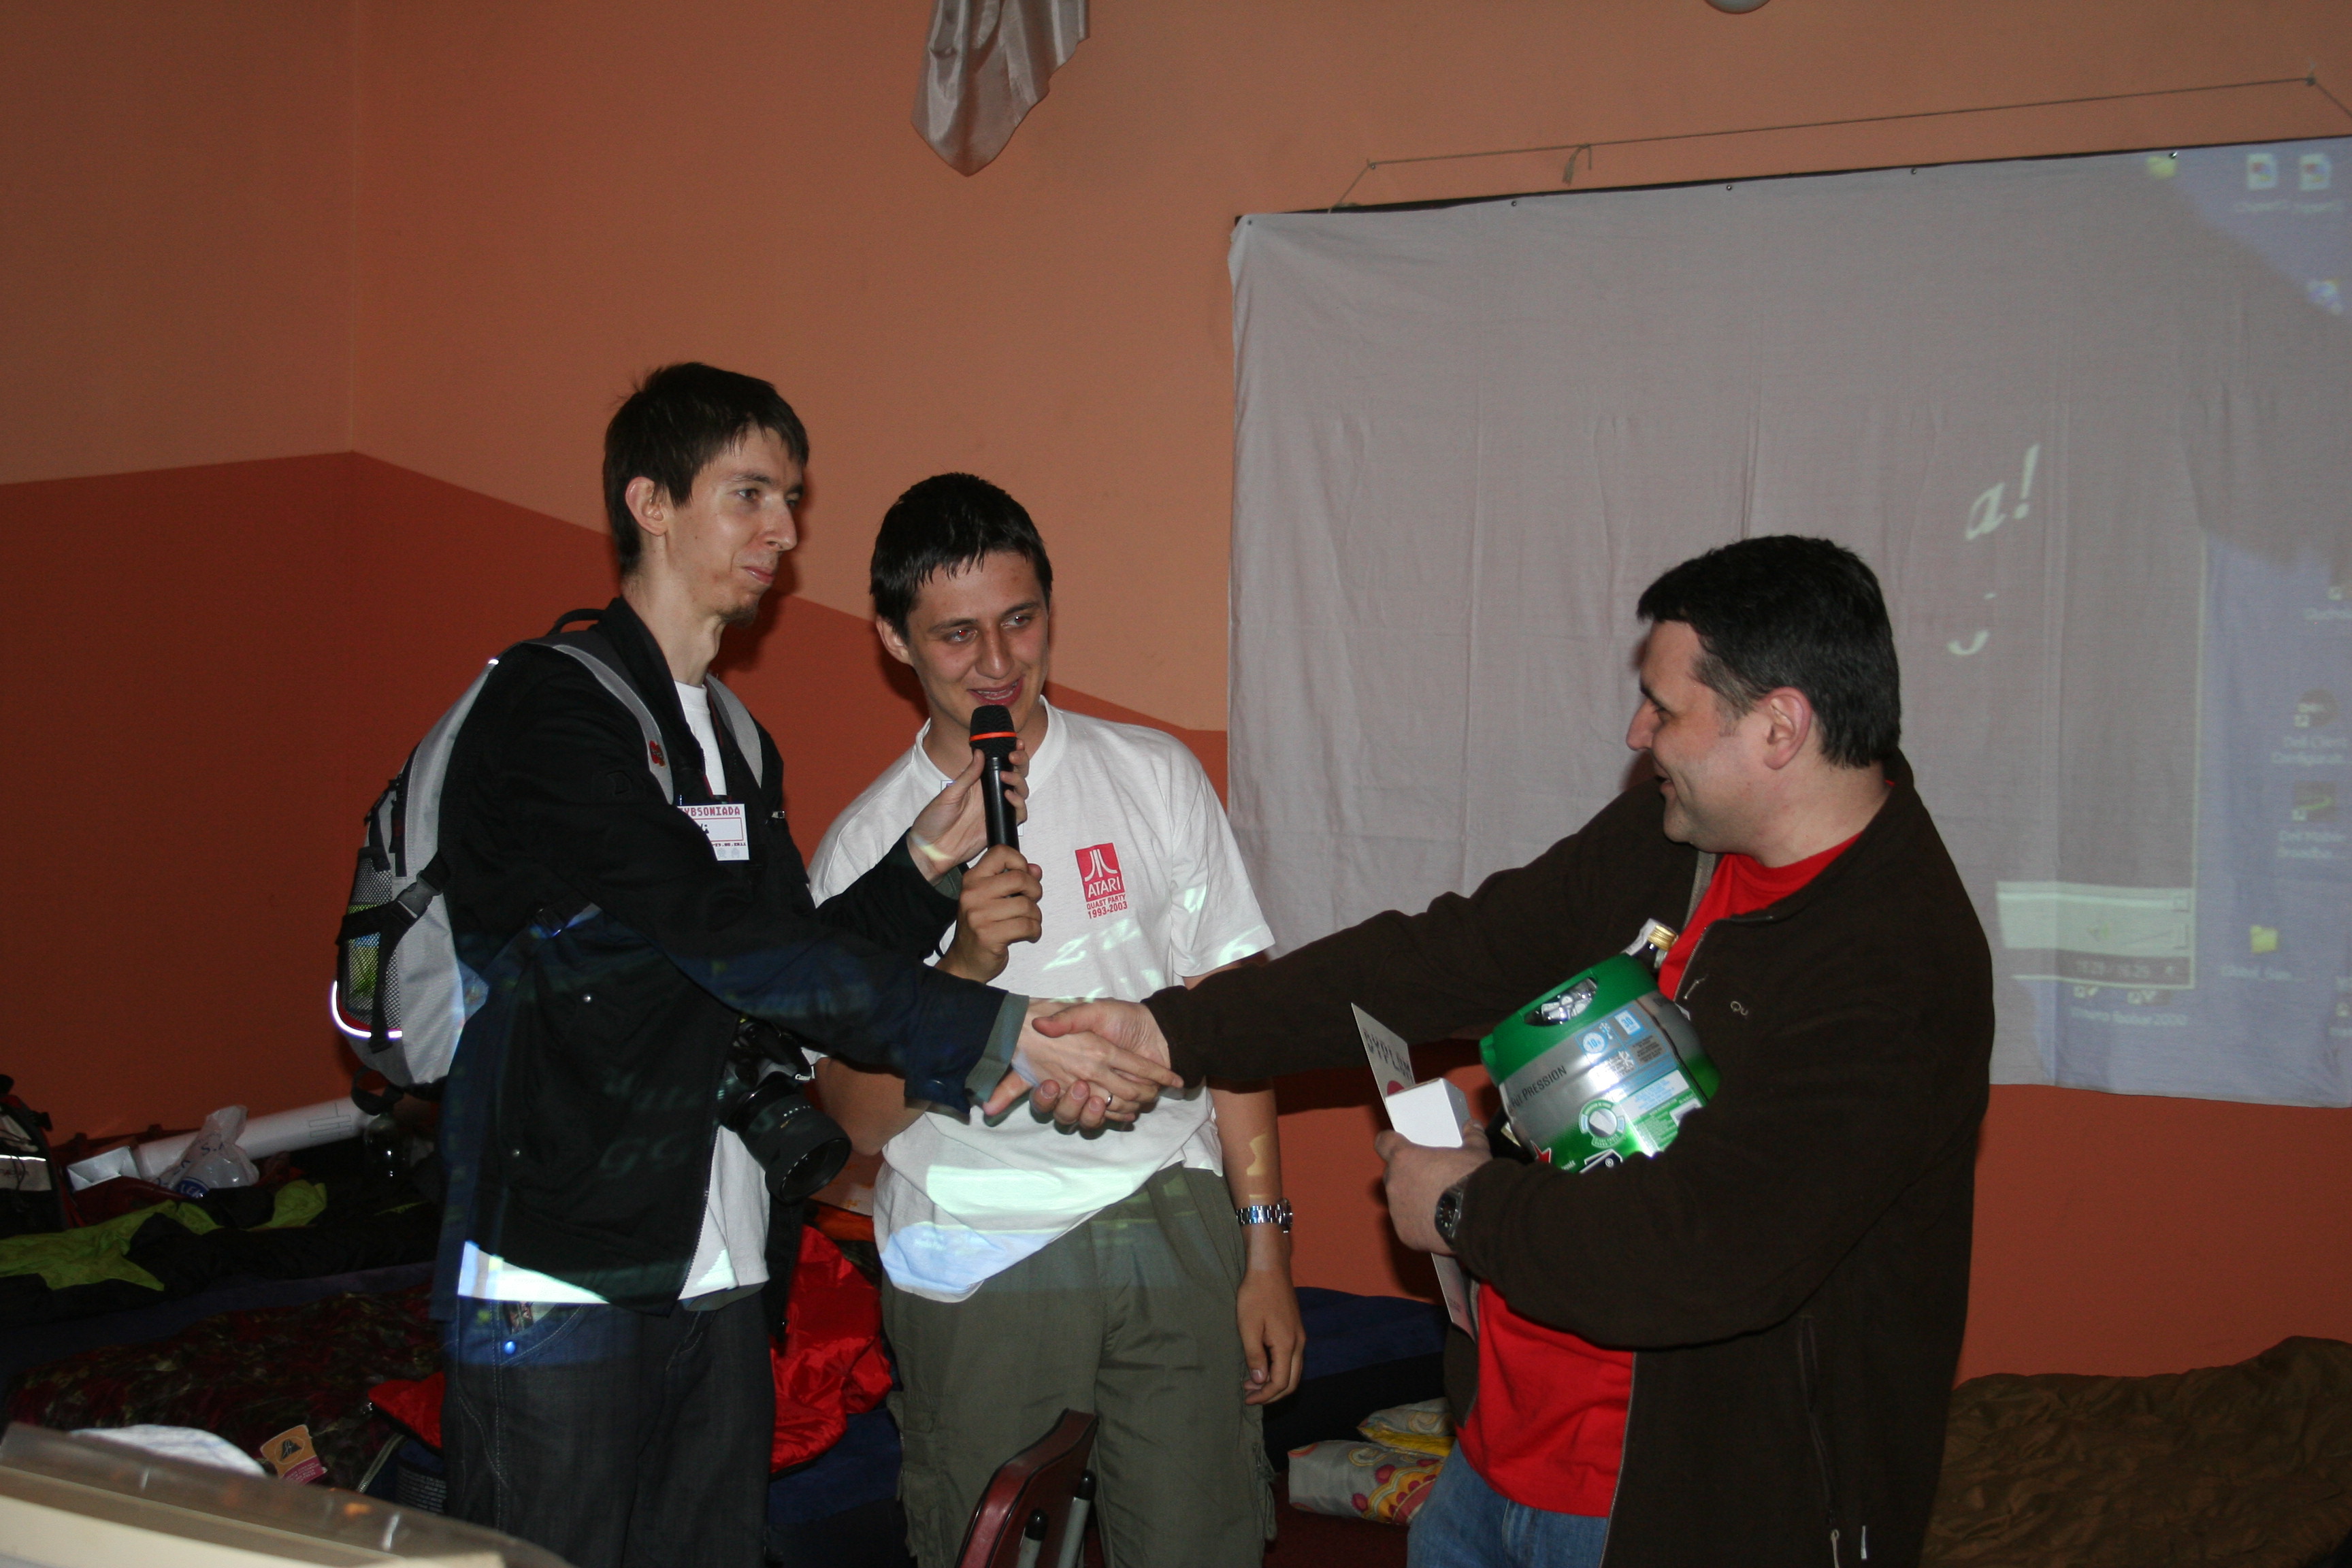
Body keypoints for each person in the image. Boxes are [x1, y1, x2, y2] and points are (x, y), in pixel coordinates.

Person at [1037, 536, 1995, 1568]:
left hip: (1676, 1516)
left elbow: (1704, 1250)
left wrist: (1463, 1206)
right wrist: (1175, 1030)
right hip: (1494, 1469)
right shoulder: (1669, 841)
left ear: (1779, 726)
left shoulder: (1898, 967)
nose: (1638, 733)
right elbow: (1449, 957)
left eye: (1665, 708)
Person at [428, 365, 1177, 1568]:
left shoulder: (732, 734)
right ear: (651, 504)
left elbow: (785, 971)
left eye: (790, 497)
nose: (783, 529)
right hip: (561, 1268)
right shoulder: (552, 712)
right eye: (750, 494)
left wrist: (921, 866)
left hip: (722, 1251)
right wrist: (1001, 1032)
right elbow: (721, 939)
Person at [806, 473, 1301, 1568]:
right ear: (893, 639)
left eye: (1020, 620)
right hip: (976, 1241)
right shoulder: (864, 849)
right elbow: (855, 1120)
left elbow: (1235, 1031)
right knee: (988, 1546)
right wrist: (961, 967)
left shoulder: (1153, 776)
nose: (997, 663)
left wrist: (1266, 1250)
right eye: (956, 635)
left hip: (1169, 1209)